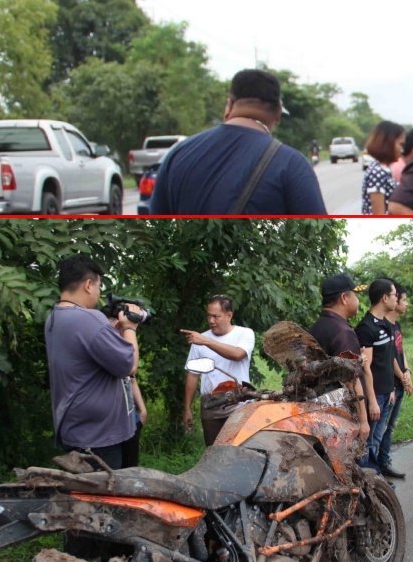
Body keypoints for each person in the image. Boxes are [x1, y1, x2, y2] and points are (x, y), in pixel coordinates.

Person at [150, 69, 327, 214]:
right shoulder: (291, 164)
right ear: (278, 115)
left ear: (229, 105)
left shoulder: (177, 154)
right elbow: (318, 242)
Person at [45, 254, 143, 470]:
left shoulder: (54, 317)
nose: (98, 294)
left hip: (74, 428)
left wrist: (112, 332)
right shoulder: (89, 318)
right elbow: (129, 366)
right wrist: (129, 328)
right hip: (100, 437)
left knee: (85, 495)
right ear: (88, 285)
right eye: (98, 286)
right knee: (106, 498)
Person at [181, 295, 255, 447]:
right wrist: (187, 408)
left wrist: (205, 341)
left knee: (240, 451)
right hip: (211, 406)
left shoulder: (244, 334)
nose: (211, 321)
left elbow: (237, 354)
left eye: (216, 316)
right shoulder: (199, 340)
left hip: (239, 404)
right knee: (214, 452)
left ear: (229, 315)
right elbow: (193, 375)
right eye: (208, 315)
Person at [307, 273, 372, 440]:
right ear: (344, 298)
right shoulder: (343, 332)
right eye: (355, 295)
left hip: (318, 411)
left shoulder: (317, 327)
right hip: (340, 415)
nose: (358, 300)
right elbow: (352, 380)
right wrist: (363, 421)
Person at [355, 279, 398, 469]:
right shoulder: (367, 328)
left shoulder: (386, 324)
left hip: (386, 392)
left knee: (377, 438)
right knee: (368, 441)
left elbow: (387, 361)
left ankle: (376, 478)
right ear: (384, 297)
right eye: (395, 294)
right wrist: (371, 401)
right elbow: (366, 369)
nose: (397, 299)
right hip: (374, 395)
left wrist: (391, 388)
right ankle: (371, 482)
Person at [376, 283, 413, 479]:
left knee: (390, 426)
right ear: (394, 299)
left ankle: (384, 462)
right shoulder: (384, 326)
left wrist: (407, 372)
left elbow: (400, 351)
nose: (406, 303)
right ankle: (376, 469)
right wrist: (401, 376)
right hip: (388, 383)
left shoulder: (396, 325)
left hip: (398, 381)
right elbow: (388, 357)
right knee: (379, 430)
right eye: (404, 299)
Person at [361, 121, 405, 215]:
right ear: (388, 144)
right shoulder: (377, 173)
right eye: (400, 145)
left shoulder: (383, 170)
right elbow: (378, 214)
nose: (402, 150)